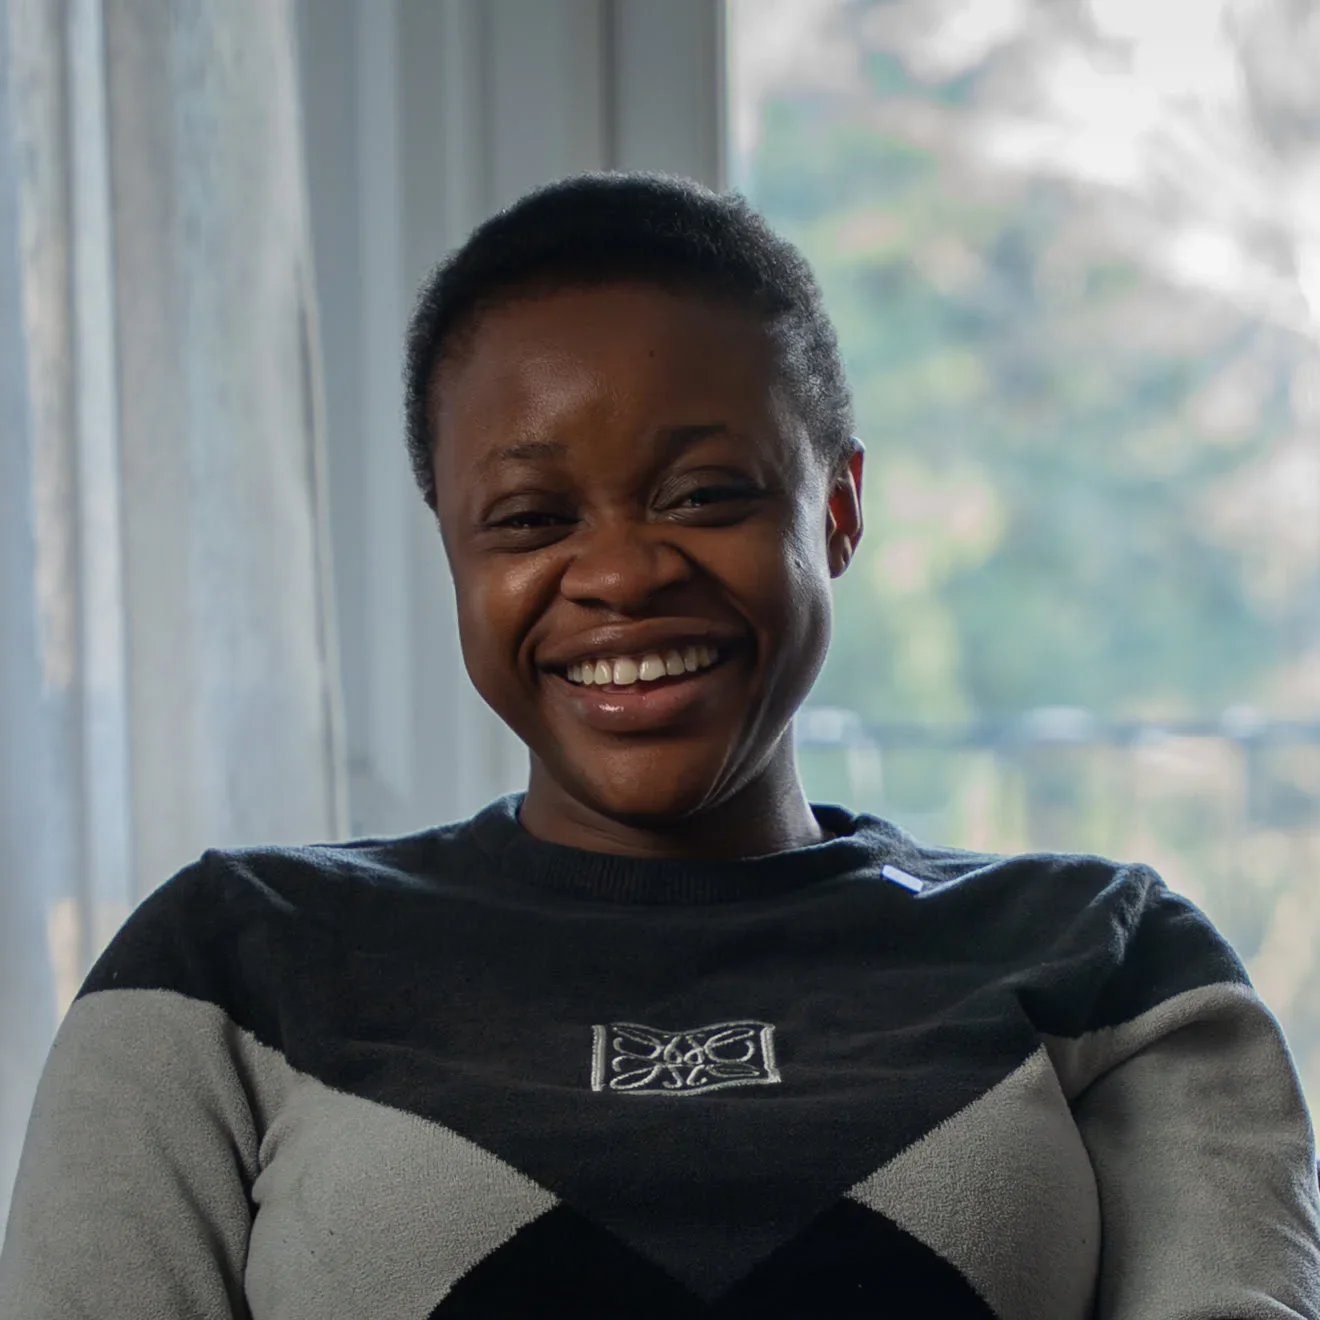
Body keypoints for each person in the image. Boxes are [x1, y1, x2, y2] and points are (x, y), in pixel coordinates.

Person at [2, 173, 1318, 1319]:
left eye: (704, 495)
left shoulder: (1111, 961)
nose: (624, 574)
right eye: (530, 517)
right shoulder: (229, 969)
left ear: (838, 509)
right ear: (452, 545)